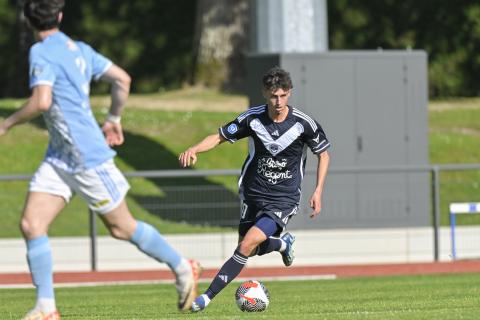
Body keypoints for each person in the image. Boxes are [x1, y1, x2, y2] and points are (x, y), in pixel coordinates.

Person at [0, 1, 200, 319]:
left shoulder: (41, 52)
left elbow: (42, 101)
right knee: (31, 224)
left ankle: (182, 266)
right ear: (60, 17)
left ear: (27, 20)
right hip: (60, 157)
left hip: (88, 157)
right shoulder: (79, 48)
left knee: (122, 228)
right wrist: (114, 118)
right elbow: (122, 79)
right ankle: (46, 308)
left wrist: (6, 124)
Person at [179, 66, 330, 312]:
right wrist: (194, 149)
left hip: (283, 199)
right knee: (248, 248)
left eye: (282, 95)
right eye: (273, 96)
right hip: (252, 194)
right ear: (265, 94)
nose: (278, 101)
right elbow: (218, 137)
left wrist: (318, 190)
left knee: (247, 244)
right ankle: (283, 244)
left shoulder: (304, 124)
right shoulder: (252, 118)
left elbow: (323, 154)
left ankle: (204, 299)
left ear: (289, 93)